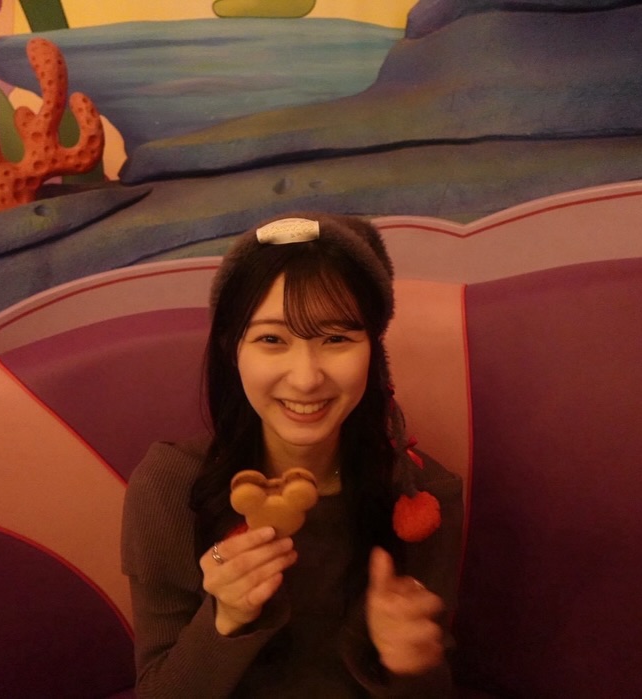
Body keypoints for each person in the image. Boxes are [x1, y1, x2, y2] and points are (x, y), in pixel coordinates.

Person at [122, 213, 464, 697]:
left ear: (374, 349)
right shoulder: (172, 486)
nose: (306, 378)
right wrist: (225, 618)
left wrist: (412, 665)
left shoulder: (420, 499)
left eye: (336, 338)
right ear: (232, 348)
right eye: (271, 339)